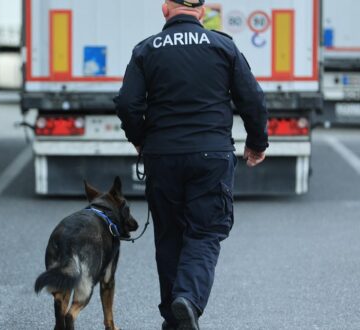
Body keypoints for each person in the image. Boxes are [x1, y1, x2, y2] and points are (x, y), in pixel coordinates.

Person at [114, 0, 269, 329]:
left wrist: (140, 139)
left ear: (165, 9)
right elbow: (252, 98)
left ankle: (174, 318)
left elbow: (128, 103)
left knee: (169, 237)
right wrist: (257, 143)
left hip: (162, 156)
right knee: (205, 232)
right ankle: (187, 299)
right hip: (211, 156)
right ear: (200, 12)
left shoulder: (147, 49)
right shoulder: (222, 46)